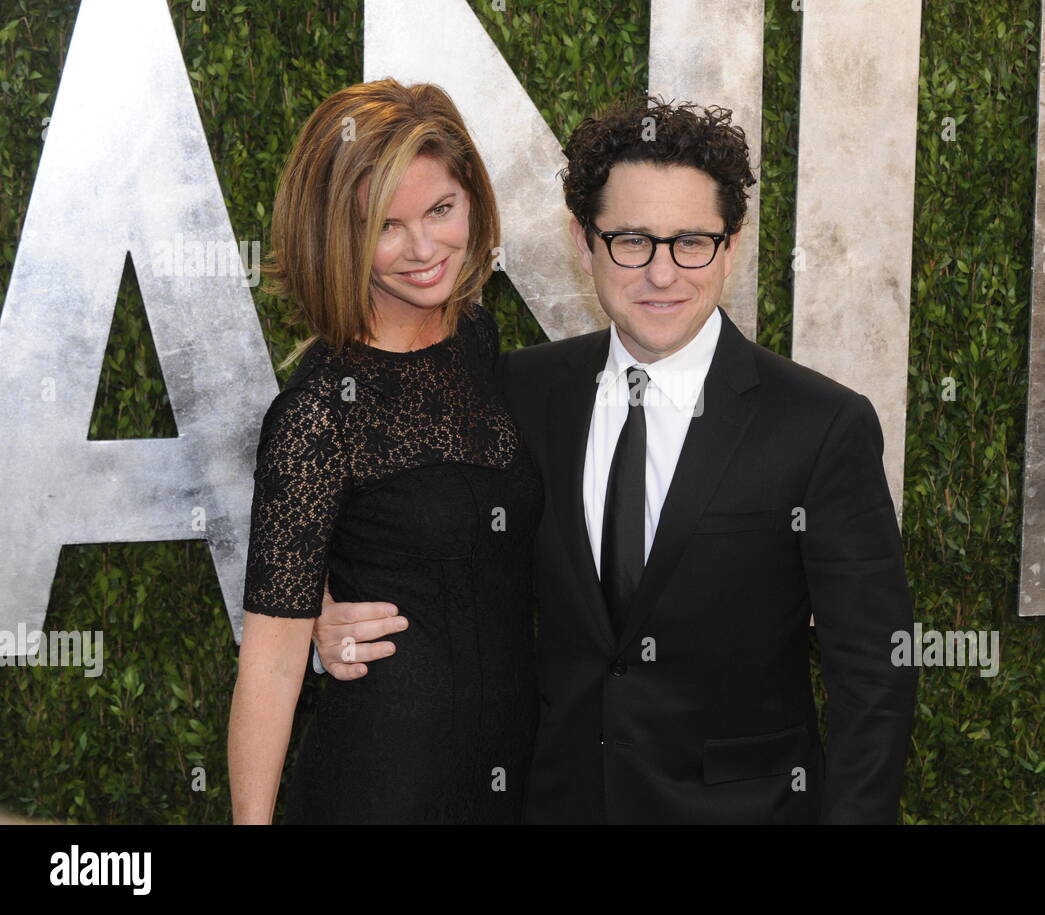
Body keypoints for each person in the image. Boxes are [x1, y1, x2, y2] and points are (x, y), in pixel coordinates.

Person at [313, 96, 916, 824]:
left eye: (691, 241)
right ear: (583, 239)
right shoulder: (518, 391)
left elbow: (874, 678)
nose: (662, 274)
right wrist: (318, 615)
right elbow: (388, 496)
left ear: (732, 244)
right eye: (631, 240)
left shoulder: (821, 426)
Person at [227, 78, 541, 824]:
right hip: (383, 783)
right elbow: (269, 664)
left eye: (441, 209)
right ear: (340, 234)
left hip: (510, 778)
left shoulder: (477, 340)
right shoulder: (316, 415)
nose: (425, 248)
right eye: (387, 226)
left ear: (473, 197)